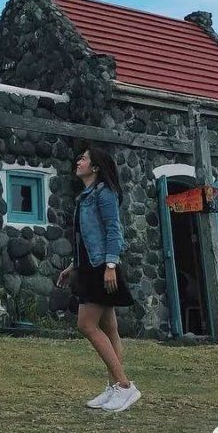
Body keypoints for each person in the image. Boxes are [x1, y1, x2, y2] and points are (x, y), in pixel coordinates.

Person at [56, 146, 141, 412]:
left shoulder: (104, 193)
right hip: (90, 265)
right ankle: (114, 386)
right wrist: (72, 266)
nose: (78, 161)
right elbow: (87, 238)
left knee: (86, 324)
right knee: (109, 328)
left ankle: (125, 387)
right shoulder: (86, 196)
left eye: (83, 158)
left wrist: (111, 265)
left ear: (95, 167)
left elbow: (113, 229)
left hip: (101, 267)